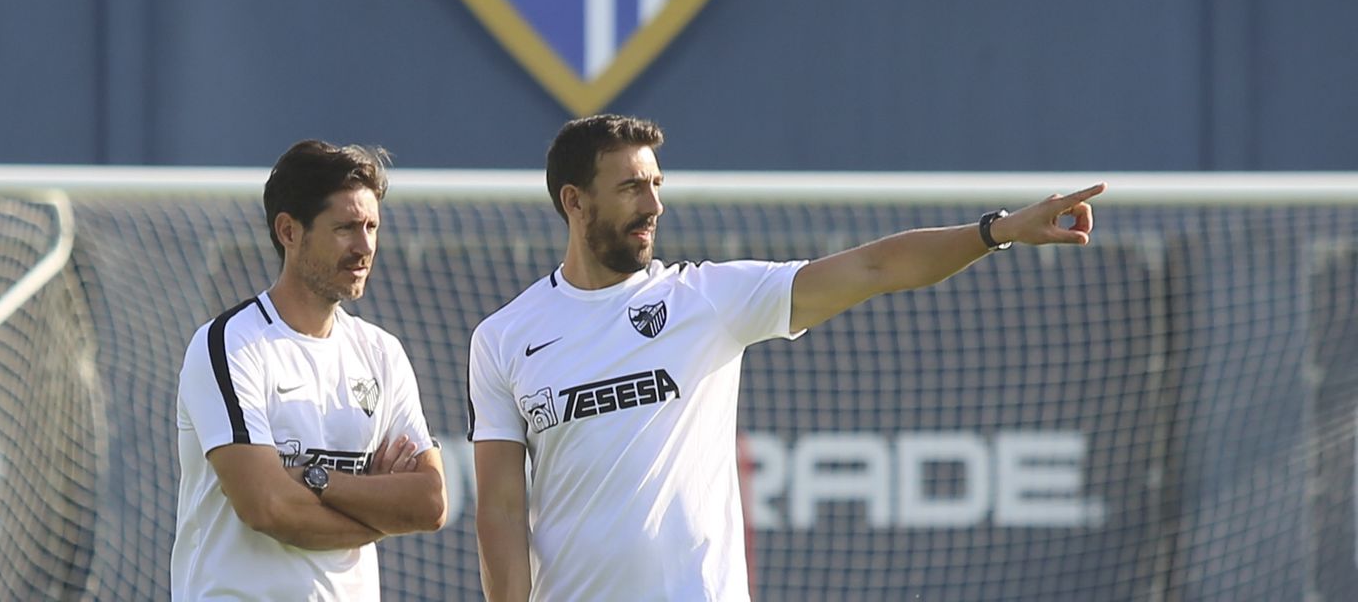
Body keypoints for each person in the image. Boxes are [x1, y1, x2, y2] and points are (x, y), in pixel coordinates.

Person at [468, 114, 1102, 602]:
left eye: (657, 184)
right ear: (575, 202)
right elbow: (499, 509)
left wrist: (997, 231)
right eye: (632, 187)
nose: (654, 204)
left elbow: (875, 266)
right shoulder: (503, 338)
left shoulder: (705, 299)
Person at [172, 140, 447, 601]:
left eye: (372, 227)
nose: (364, 247)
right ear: (288, 231)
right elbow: (268, 506)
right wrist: (379, 507)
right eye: (345, 228)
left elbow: (430, 502)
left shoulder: (382, 352)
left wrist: (317, 479)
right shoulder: (230, 344)